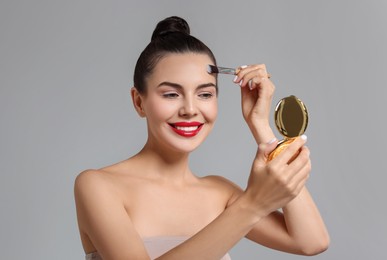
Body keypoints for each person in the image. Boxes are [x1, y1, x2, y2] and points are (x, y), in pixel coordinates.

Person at [74, 16, 329, 260]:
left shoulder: (219, 192)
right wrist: (253, 205)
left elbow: (311, 241)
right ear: (139, 102)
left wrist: (260, 125)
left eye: (205, 94)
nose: (190, 109)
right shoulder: (99, 186)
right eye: (171, 94)